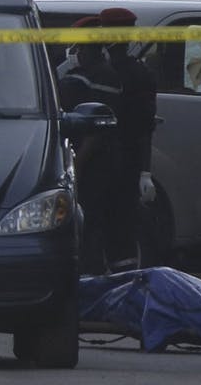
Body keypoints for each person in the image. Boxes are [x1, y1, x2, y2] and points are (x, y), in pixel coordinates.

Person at [56, 16, 125, 276]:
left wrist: (78, 163)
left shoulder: (103, 77)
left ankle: (93, 276)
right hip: (84, 159)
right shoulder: (84, 74)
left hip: (96, 162)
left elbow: (96, 128)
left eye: (79, 48)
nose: (76, 54)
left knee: (92, 221)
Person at [99, 7, 159, 270]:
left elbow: (144, 125)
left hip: (121, 159)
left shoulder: (133, 74)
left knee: (120, 227)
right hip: (112, 159)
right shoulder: (111, 70)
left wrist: (145, 171)